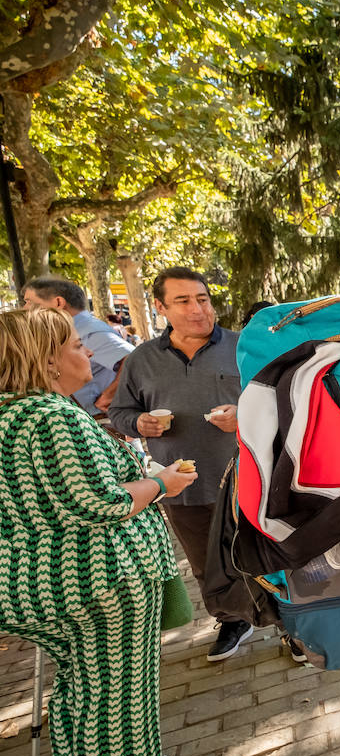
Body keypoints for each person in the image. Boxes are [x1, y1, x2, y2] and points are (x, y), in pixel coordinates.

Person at [0, 308, 196, 756]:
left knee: (77, 683)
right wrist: (162, 484)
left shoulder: (9, 417)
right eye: (74, 344)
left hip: (31, 585)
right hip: (96, 579)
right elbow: (98, 503)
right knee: (116, 689)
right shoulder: (52, 416)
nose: (87, 353)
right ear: (46, 360)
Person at [107, 267, 252, 662]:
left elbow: (277, 402)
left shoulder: (243, 347)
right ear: (160, 307)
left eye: (202, 299)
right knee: (206, 562)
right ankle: (232, 619)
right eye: (183, 301)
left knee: (264, 551)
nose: (197, 309)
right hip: (181, 483)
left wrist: (245, 413)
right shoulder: (141, 360)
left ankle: (289, 624)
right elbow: (119, 412)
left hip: (248, 478)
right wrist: (138, 422)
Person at [22, 276, 134, 415]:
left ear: (58, 302)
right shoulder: (80, 328)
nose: (25, 308)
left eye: (29, 302)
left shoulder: (89, 330)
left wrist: (109, 396)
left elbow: (136, 359)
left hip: (95, 420)